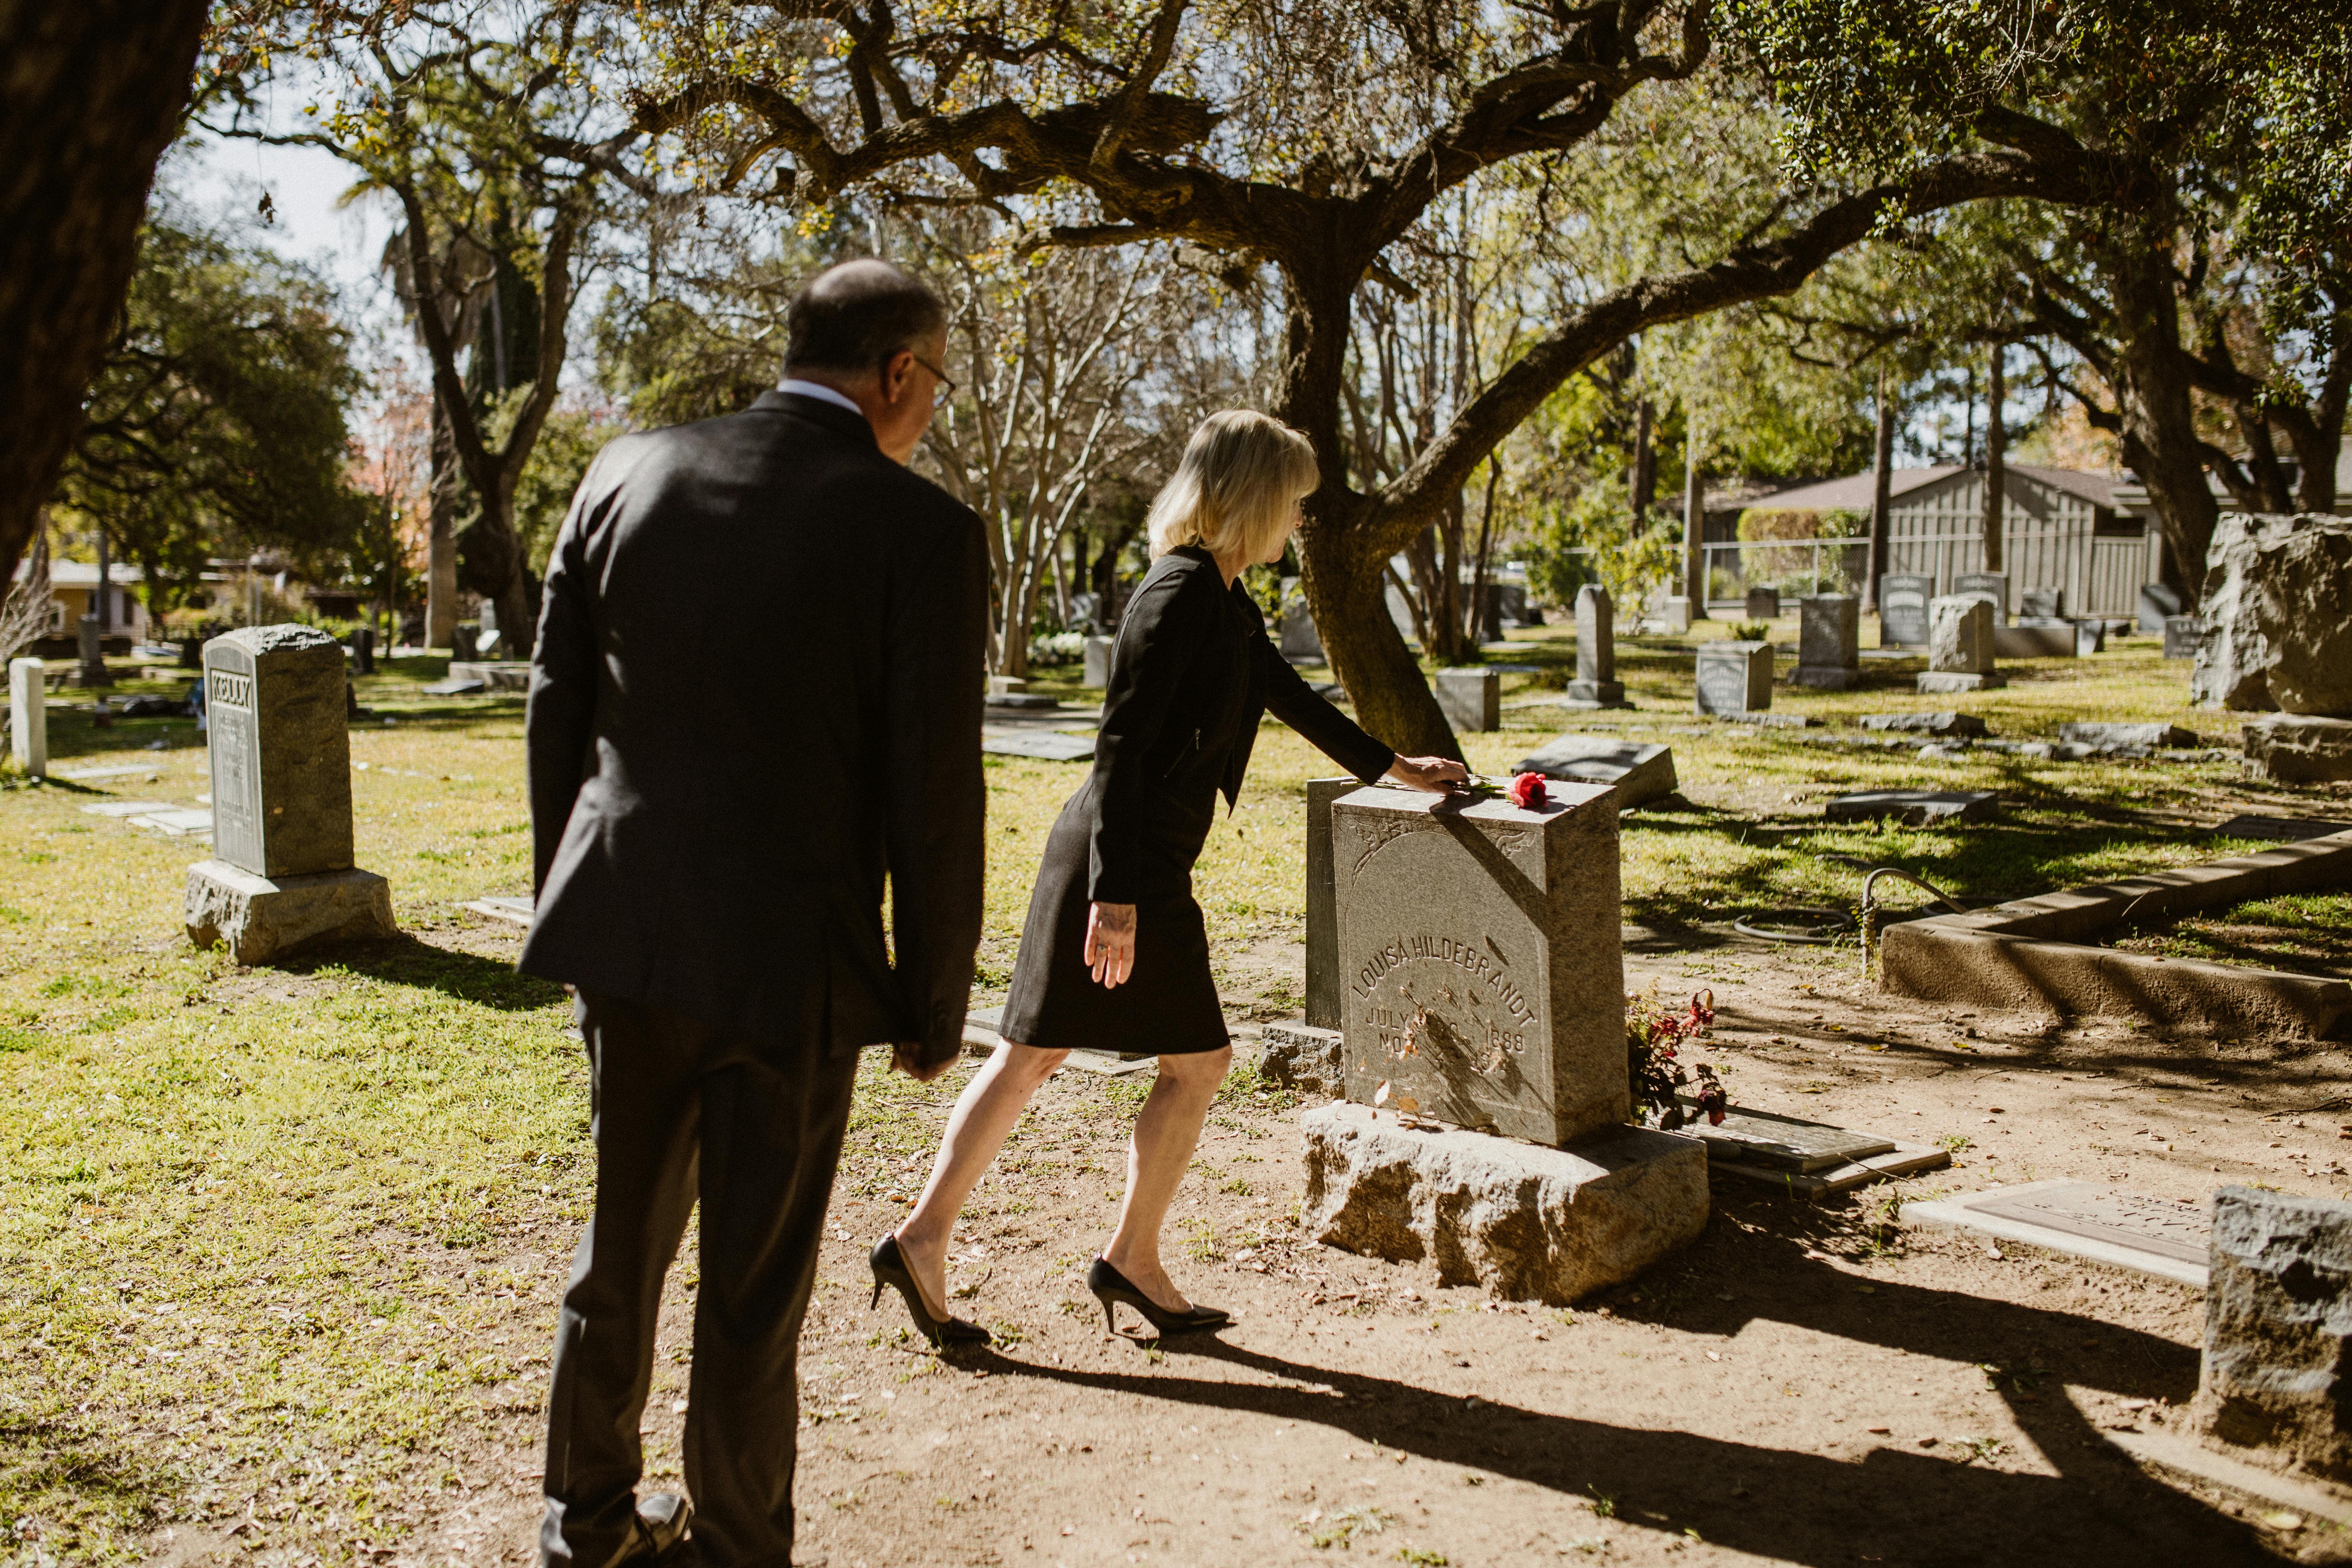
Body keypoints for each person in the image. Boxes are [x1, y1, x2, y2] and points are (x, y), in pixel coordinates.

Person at [522, 259, 988, 1567]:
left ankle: (587, 1525)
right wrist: (931, 998)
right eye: (933, 385)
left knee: (619, 1252)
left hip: (632, 936)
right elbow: (933, 793)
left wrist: (579, 907)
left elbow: (558, 713)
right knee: (751, 1288)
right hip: (799, 967)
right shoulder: (920, 531)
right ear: (899, 371)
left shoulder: (626, 470)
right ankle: (736, 1544)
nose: (929, 413)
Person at [873, 411, 1466, 1345]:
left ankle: (934, 1241)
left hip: (1134, 860)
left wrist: (1396, 767)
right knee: (1180, 1062)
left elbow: (1291, 696)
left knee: (1037, 1054)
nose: (1301, 524)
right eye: (1296, 505)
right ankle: (1117, 1258)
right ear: (1256, 499)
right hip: (1122, 862)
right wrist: (1116, 897)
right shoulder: (1177, 593)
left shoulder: (1223, 598)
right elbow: (1119, 749)